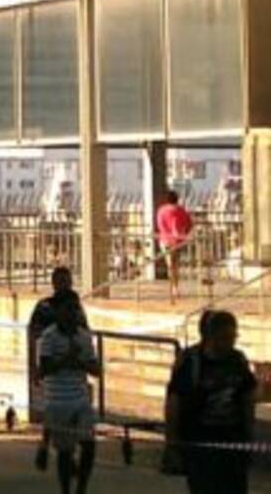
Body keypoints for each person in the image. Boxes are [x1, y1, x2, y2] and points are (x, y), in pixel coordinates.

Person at [165, 310, 255, 494]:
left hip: (232, 442)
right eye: (225, 338)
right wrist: (172, 443)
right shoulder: (191, 362)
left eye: (233, 337)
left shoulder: (237, 360)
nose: (230, 342)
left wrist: (249, 435)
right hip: (200, 444)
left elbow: (247, 398)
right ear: (211, 336)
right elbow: (174, 403)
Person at [29, 267, 90, 471]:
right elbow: (34, 336)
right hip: (51, 364)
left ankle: (63, 451)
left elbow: (84, 332)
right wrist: (34, 366)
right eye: (61, 281)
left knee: (70, 412)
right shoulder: (44, 307)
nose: (65, 285)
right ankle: (48, 445)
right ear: (54, 283)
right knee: (53, 408)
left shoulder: (76, 306)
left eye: (68, 281)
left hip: (73, 367)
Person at [38, 296, 99, 494]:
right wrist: (66, 358)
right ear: (58, 313)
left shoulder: (84, 337)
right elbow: (44, 369)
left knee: (89, 444)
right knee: (65, 451)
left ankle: (81, 488)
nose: (71, 315)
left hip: (79, 397)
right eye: (67, 310)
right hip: (57, 399)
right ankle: (65, 489)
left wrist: (80, 361)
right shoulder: (48, 337)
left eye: (74, 310)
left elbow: (95, 369)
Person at [157, 191, 194, 303]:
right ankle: (175, 287)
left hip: (165, 240)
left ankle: (173, 288)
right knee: (176, 265)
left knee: (170, 265)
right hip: (178, 240)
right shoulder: (182, 210)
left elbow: (160, 225)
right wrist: (184, 234)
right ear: (177, 199)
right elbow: (190, 224)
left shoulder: (161, 211)